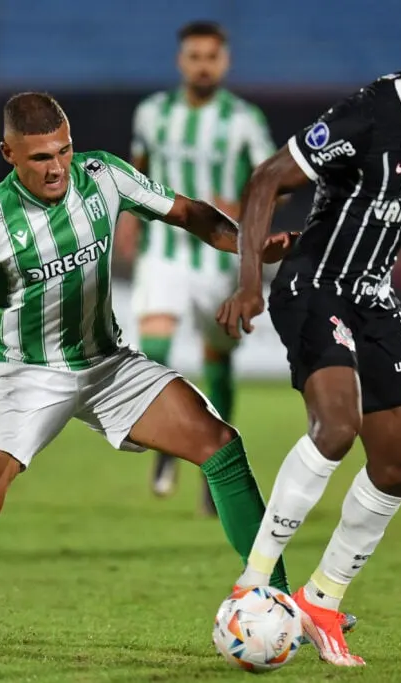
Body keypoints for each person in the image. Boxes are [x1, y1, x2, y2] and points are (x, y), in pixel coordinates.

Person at [0, 92, 299, 645]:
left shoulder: (105, 176)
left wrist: (251, 246)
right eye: (40, 157)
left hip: (105, 363)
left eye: (63, 151)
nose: (57, 167)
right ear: (8, 154)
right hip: (25, 376)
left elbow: (189, 213)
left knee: (220, 444)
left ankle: (275, 599)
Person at [216, 21, 401, 667]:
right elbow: (267, 180)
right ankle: (254, 580)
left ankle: (322, 597)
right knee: (337, 427)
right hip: (315, 286)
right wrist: (248, 283)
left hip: (373, 297)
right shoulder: (367, 113)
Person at [117, 21, 277, 514]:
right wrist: (127, 219)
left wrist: (241, 203)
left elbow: (272, 180)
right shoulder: (152, 113)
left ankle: (214, 464)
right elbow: (136, 168)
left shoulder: (244, 119)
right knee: (156, 342)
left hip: (218, 256)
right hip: (164, 248)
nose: (203, 64)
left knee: (217, 357)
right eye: (195, 56)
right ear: (180, 61)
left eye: (211, 56)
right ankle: (167, 442)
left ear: (223, 63)